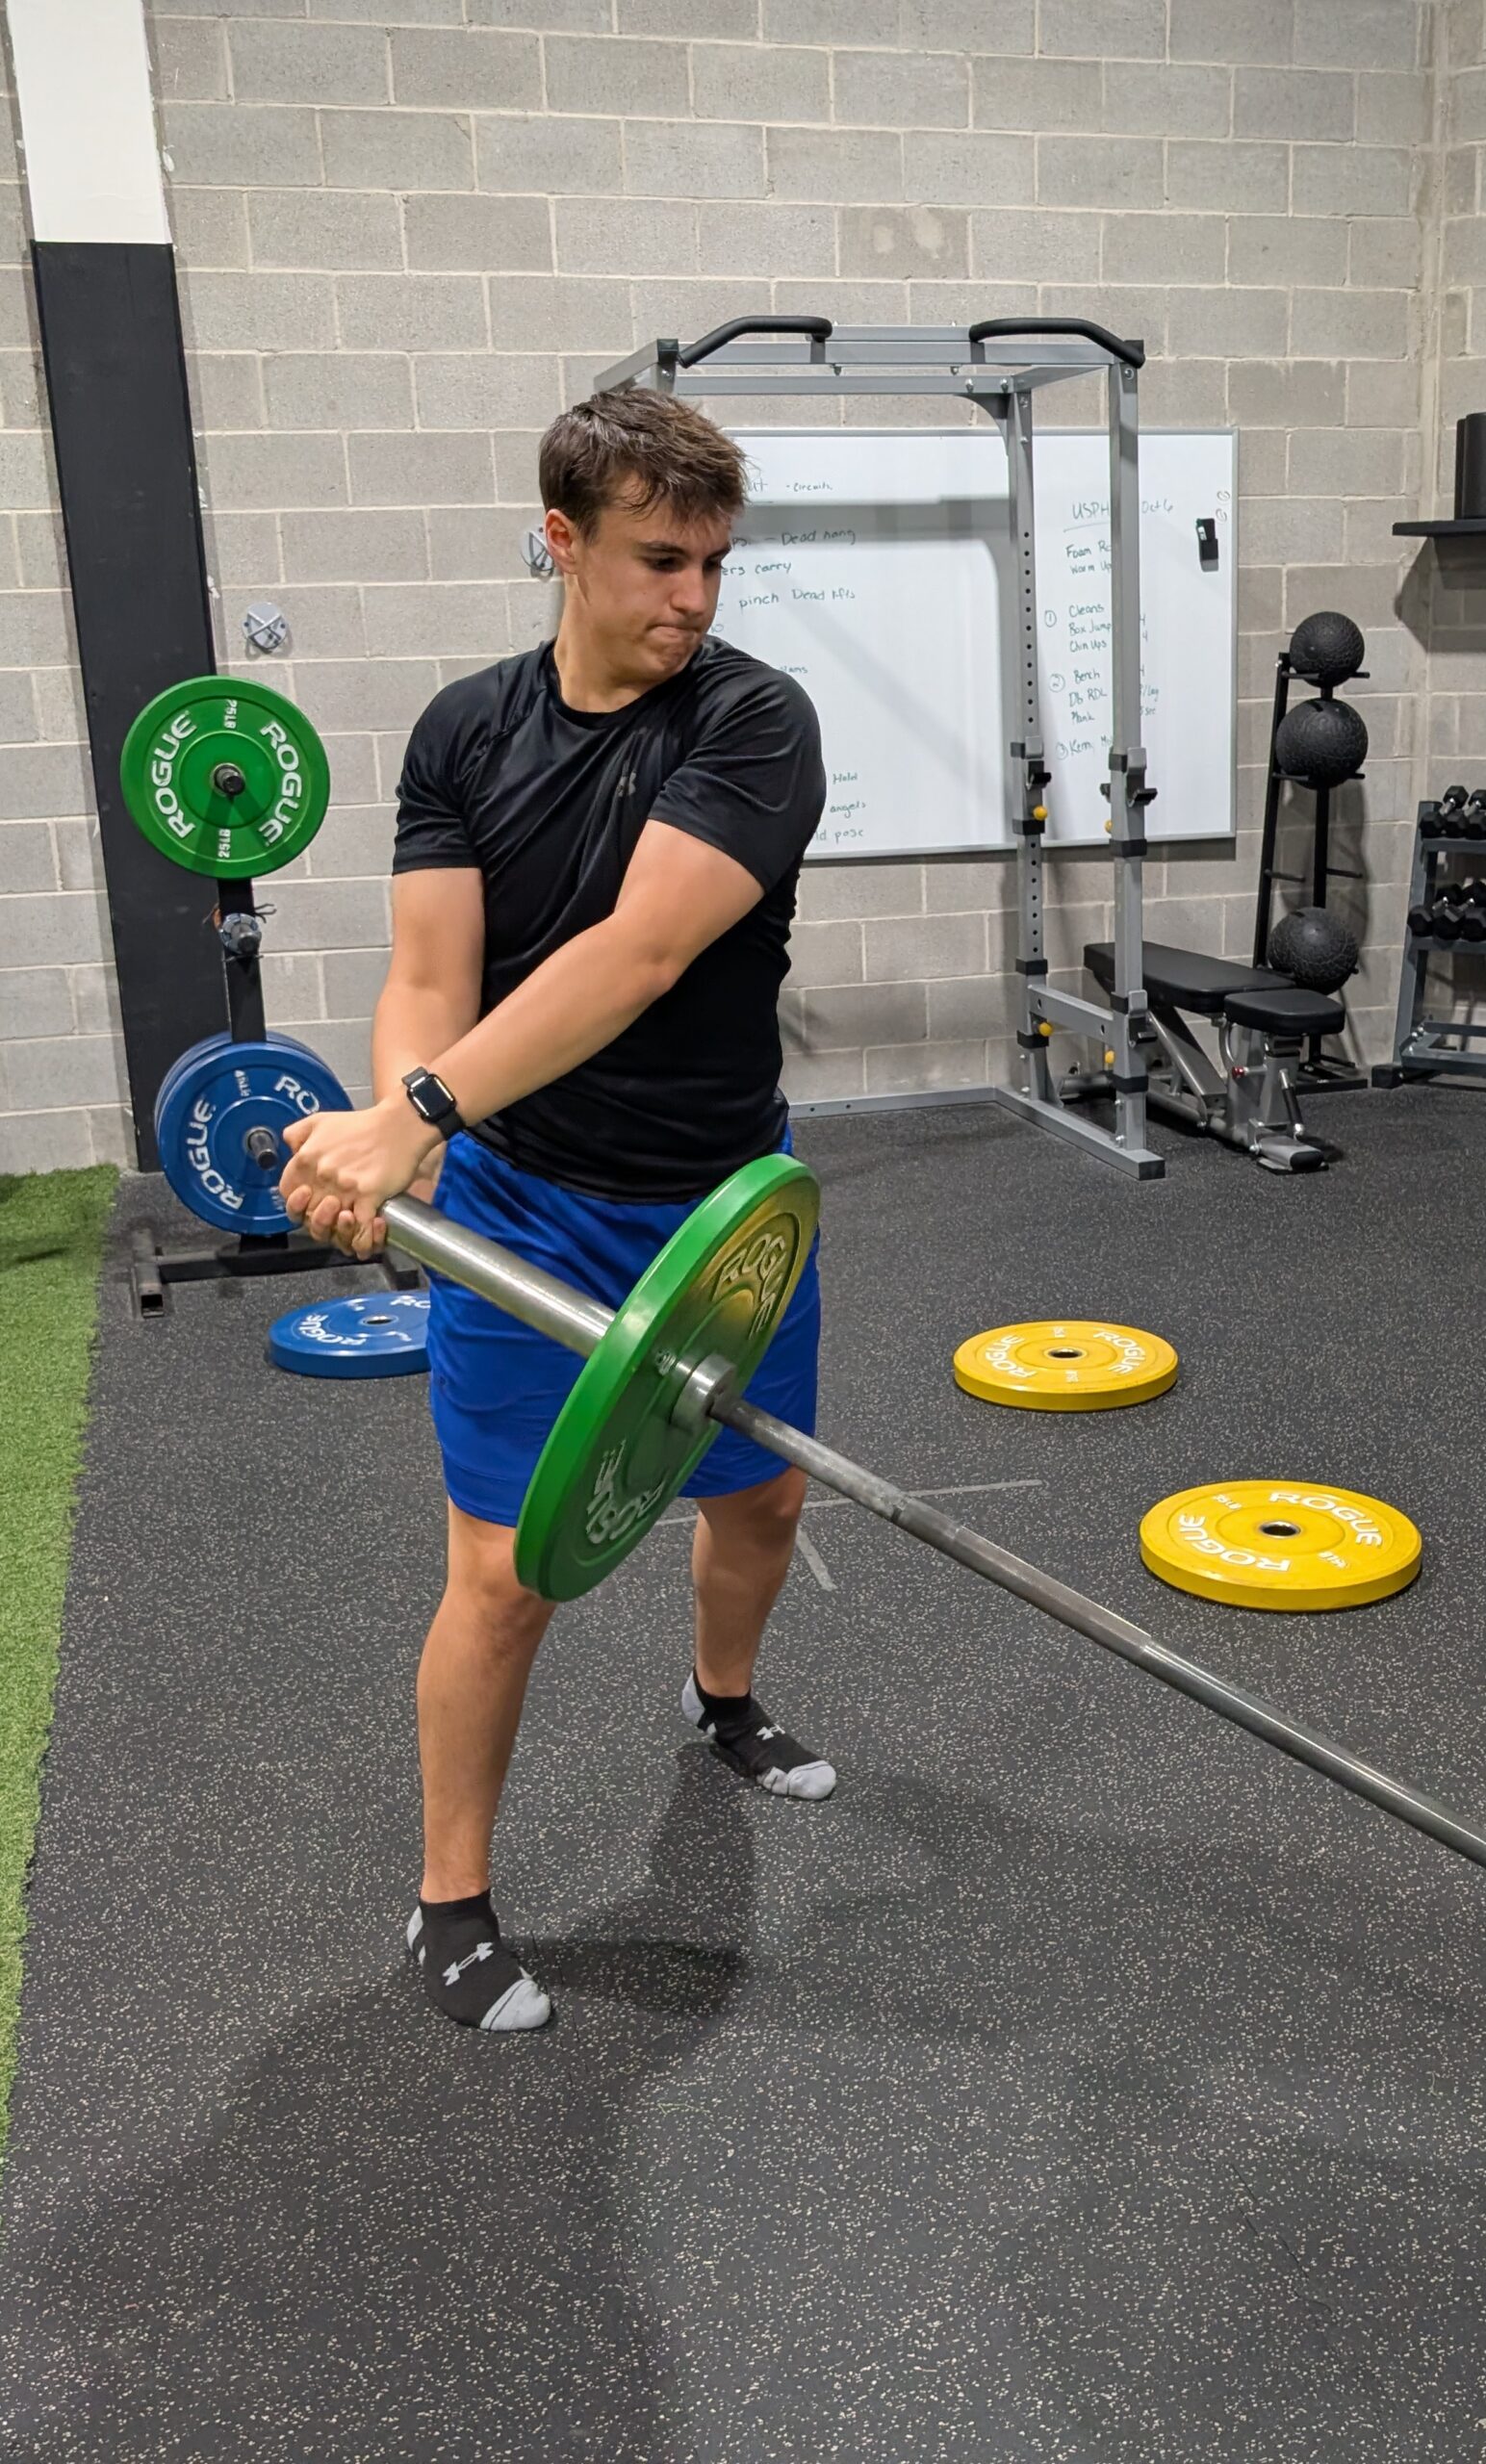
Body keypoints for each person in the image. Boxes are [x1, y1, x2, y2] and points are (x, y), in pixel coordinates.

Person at [279, 389, 833, 2036]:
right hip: (526, 1211)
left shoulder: (756, 721)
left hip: (722, 1213)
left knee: (763, 1506)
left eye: (715, 564)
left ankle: (721, 1700)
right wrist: (406, 1126)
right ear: (562, 542)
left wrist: (415, 1114)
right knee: (504, 1575)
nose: (694, 598)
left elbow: (639, 954)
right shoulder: (465, 732)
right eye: (660, 560)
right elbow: (430, 973)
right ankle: (449, 1898)